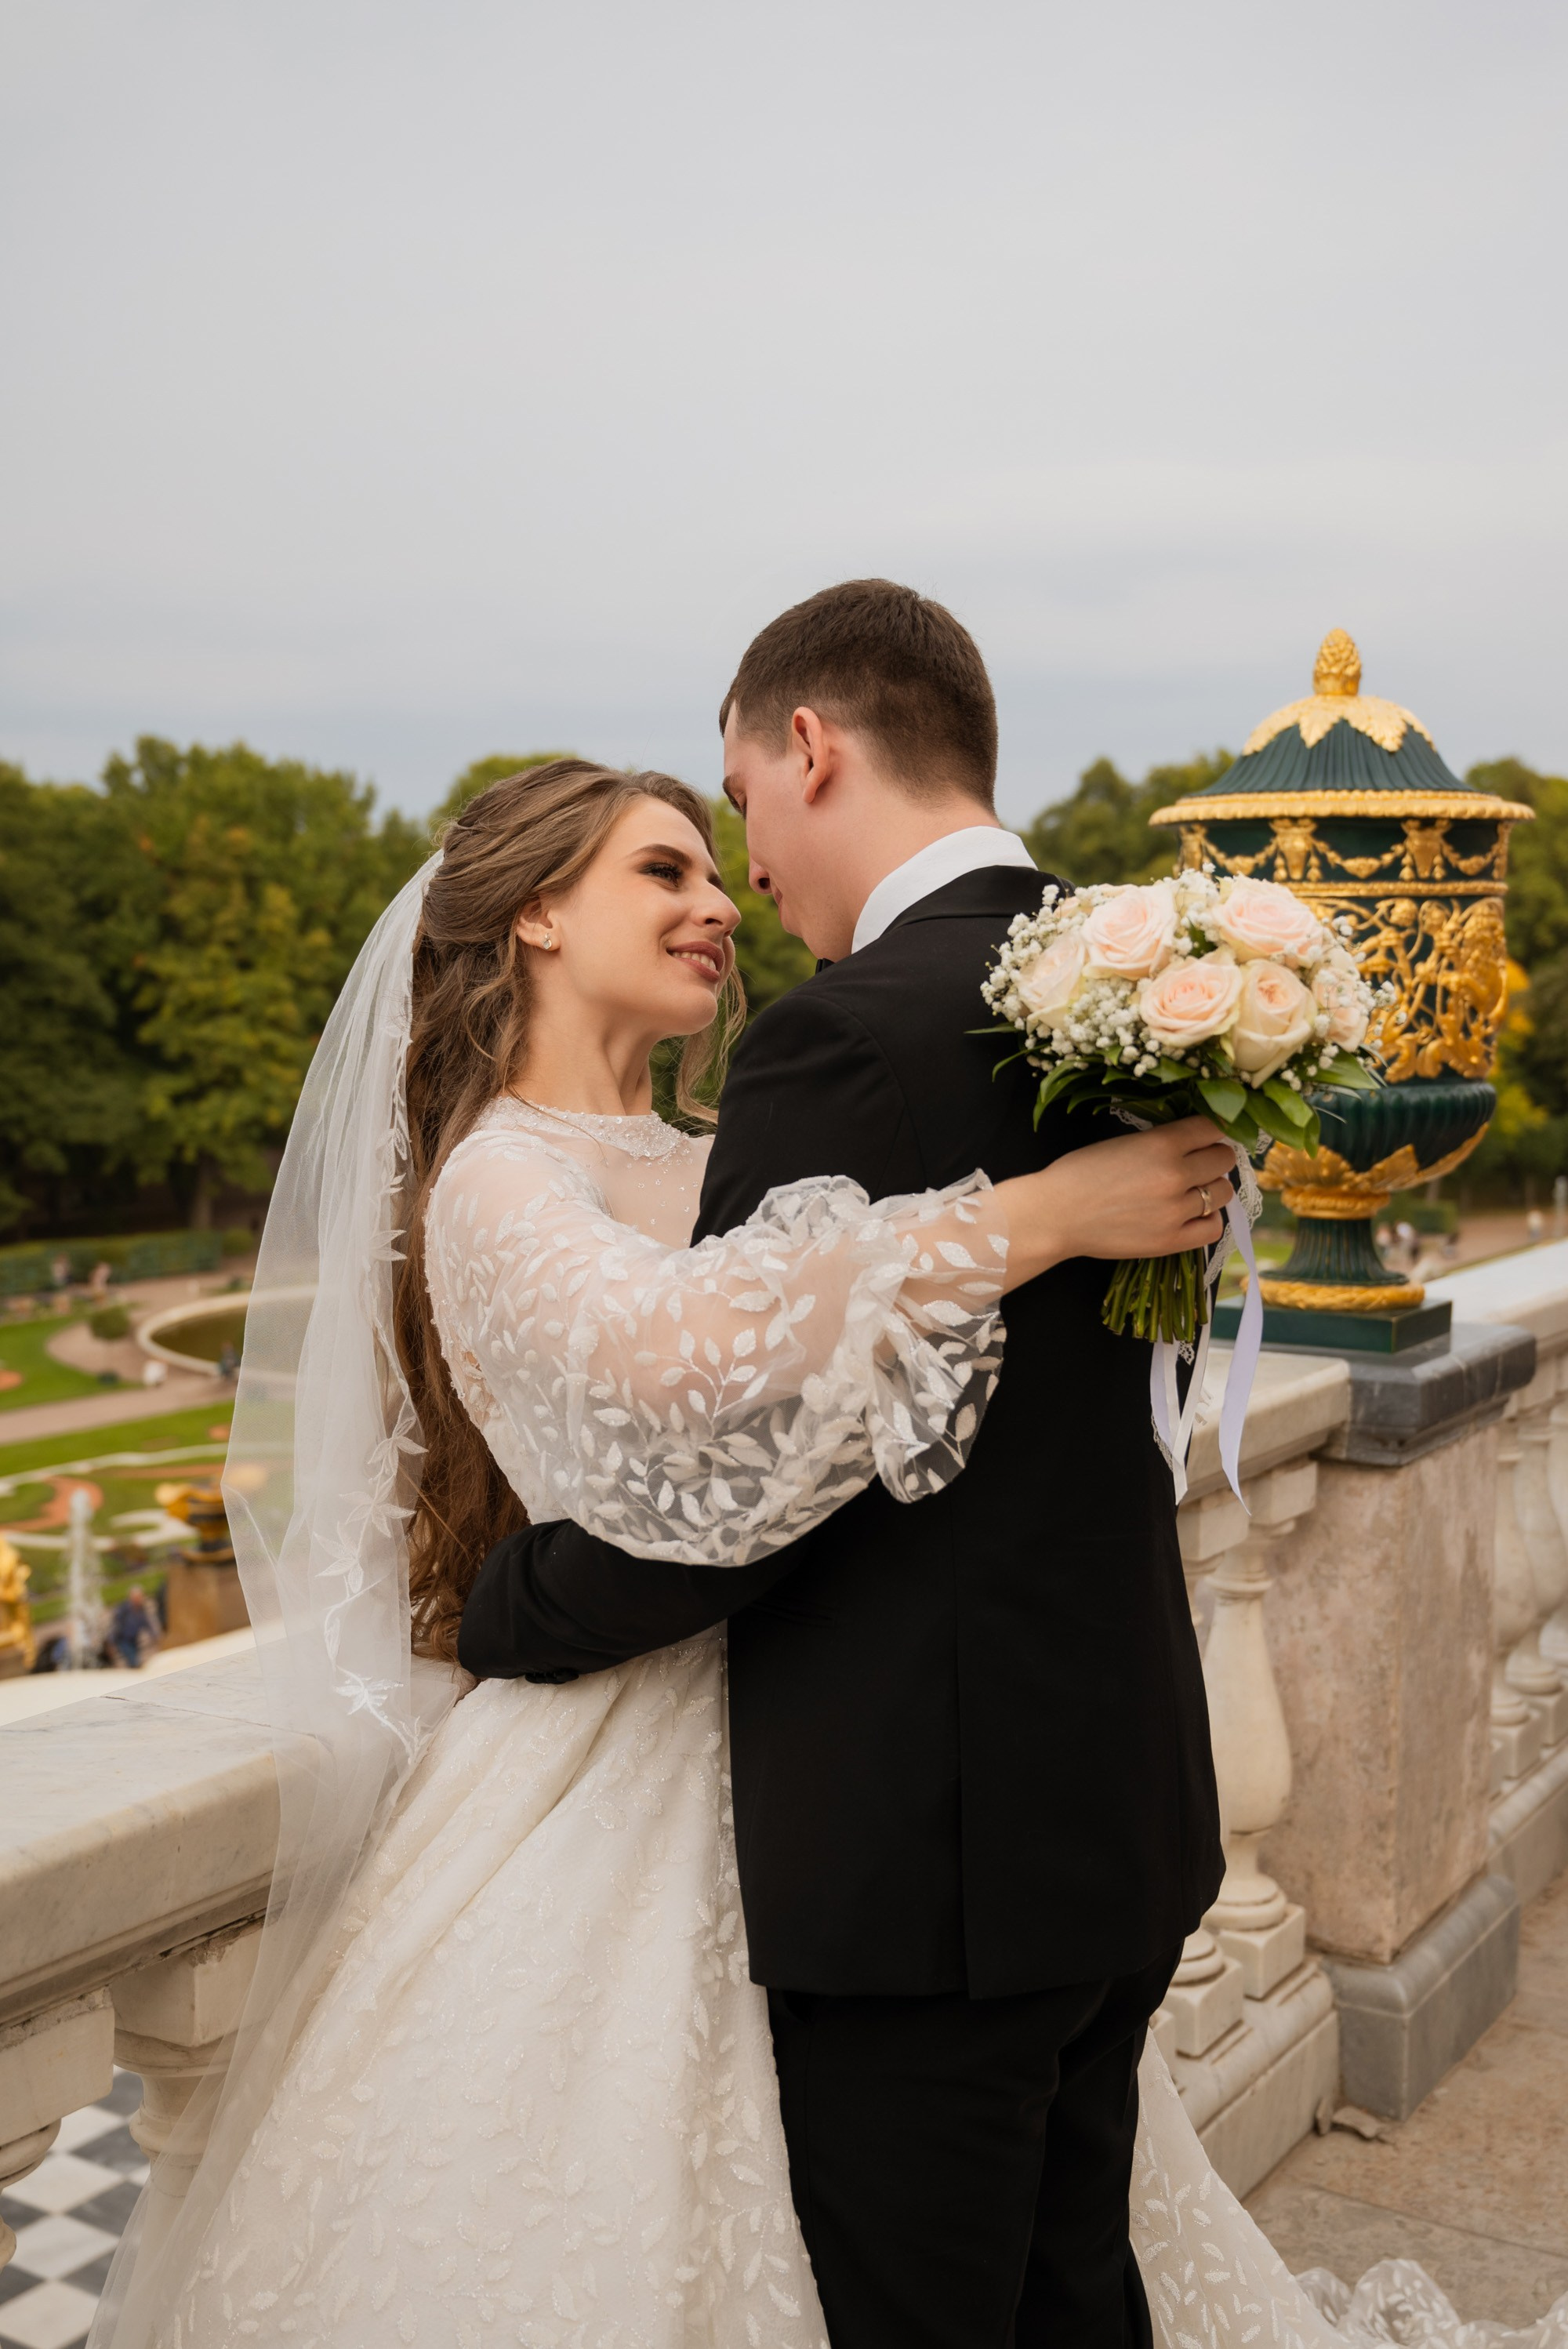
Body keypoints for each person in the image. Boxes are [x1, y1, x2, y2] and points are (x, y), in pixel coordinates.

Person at [89, 599, 1545, 2349]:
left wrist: (514, 1604)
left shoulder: (811, 1072)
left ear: (812, 751)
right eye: (662, 870)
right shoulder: (510, 1173)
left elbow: (751, 1441)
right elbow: (696, 1383)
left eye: (721, 839)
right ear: (533, 913)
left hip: (894, 1823)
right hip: (945, 1795)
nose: (723, 895)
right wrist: (1037, 1216)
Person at [105, 1584, 159, 1669]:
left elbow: (147, 1624)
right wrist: (111, 1642)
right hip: (123, 1640)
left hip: (134, 1641)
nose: (141, 1599)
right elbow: (115, 1626)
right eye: (138, 1597)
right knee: (134, 1662)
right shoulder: (124, 1610)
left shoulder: (141, 1610)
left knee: (135, 1662)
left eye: (141, 1596)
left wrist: (154, 1636)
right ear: (132, 1598)